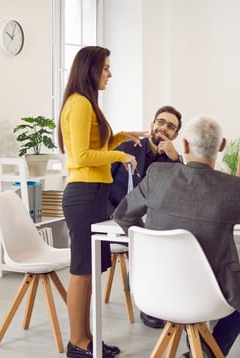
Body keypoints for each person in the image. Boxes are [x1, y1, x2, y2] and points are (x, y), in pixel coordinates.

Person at [113, 116, 240, 357]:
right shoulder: (233, 188)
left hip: (152, 287)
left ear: (185, 146)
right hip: (205, 295)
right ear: (221, 146)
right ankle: (207, 352)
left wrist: (148, 241)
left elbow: (123, 216)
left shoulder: (157, 175)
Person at [58, 46, 146, 358]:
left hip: (93, 194)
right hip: (83, 195)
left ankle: (87, 337)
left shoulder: (87, 103)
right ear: (91, 69)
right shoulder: (80, 103)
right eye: (106, 68)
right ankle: (76, 343)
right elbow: (81, 155)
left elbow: (96, 144)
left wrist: (122, 135)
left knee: (91, 270)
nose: (110, 73)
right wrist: (121, 154)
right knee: (82, 271)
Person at [108, 105, 183, 329]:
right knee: (151, 243)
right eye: (160, 122)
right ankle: (149, 305)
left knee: (170, 242)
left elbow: (184, 190)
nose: (164, 128)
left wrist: (176, 158)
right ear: (152, 125)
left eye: (171, 126)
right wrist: (108, 211)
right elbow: (104, 182)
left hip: (152, 222)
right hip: (117, 216)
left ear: (176, 135)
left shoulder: (172, 159)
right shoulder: (126, 147)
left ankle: (162, 301)